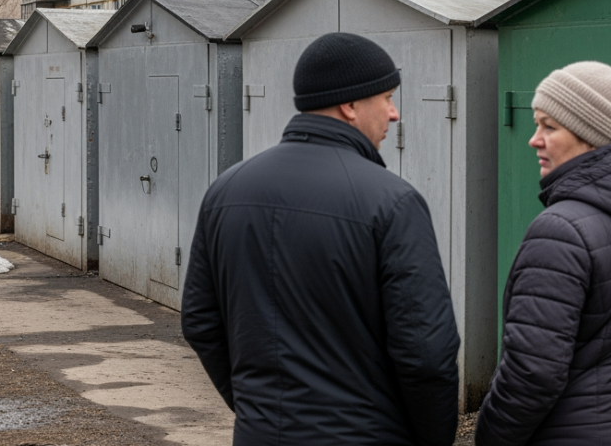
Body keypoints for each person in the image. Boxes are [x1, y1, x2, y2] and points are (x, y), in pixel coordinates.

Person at [182, 32, 461, 446]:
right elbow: (426, 354)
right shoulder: (392, 202)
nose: (394, 113)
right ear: (350, 105)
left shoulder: (226, 191)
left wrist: (257, 407)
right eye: (387, 98)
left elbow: (200, 321)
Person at [476, 61, 611, 446]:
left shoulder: (560, 230)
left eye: (549, 126)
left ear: (592, 134)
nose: (534, 139)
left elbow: (532, 374)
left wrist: (489, 437)